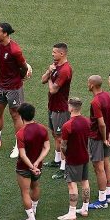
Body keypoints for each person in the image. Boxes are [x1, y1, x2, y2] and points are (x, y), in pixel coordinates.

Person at [0, 22, 32, 158]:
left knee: (16, 115)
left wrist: (22, 76)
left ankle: (19, 145)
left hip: (14, 88)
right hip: (1, 86)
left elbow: (24, 67)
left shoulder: (15, 50)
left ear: (5, 34)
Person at [40, 43, 73, 179]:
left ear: (62, 54)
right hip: (52, 106)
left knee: (61, 138)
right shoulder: (55, 67)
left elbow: (53, 90)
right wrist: (49, 71)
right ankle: (57, 160)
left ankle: (64, 167)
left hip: (60, 109)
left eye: (54, 52)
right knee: (55, 135)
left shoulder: (65, 70)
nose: (52, 54)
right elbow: (43, 80)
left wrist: (50, 80)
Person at [15, 103, 50, 220]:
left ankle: (31, 219)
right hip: (38, 166)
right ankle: (33, 209)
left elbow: (23, 154)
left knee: (25, 191)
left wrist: (31, 166)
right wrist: (36, 163)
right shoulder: (42, 128)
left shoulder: (21, 133)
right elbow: (47, 147)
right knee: (35, 186)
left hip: (24, 167)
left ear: (21, 116)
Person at [57, 98, 91, 220]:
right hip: (84, 156)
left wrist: (64, 156)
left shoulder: (67, 125)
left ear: (70, 108)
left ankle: (72, 212)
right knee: (84, 181)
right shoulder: (87, 122)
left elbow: (63, 145)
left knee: (72, 184)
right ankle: (85, 208)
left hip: (73, 158)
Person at [87, 75, 110, 209]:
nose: (87, 84)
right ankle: (108, 195)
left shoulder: (95, 102)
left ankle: (102, 200)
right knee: (106, 164)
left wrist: (105, 138)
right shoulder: (108, 96)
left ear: (92, 85)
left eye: (88, 83)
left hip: (97, 138)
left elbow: (101, 124)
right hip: (106, 137)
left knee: (99, 169)